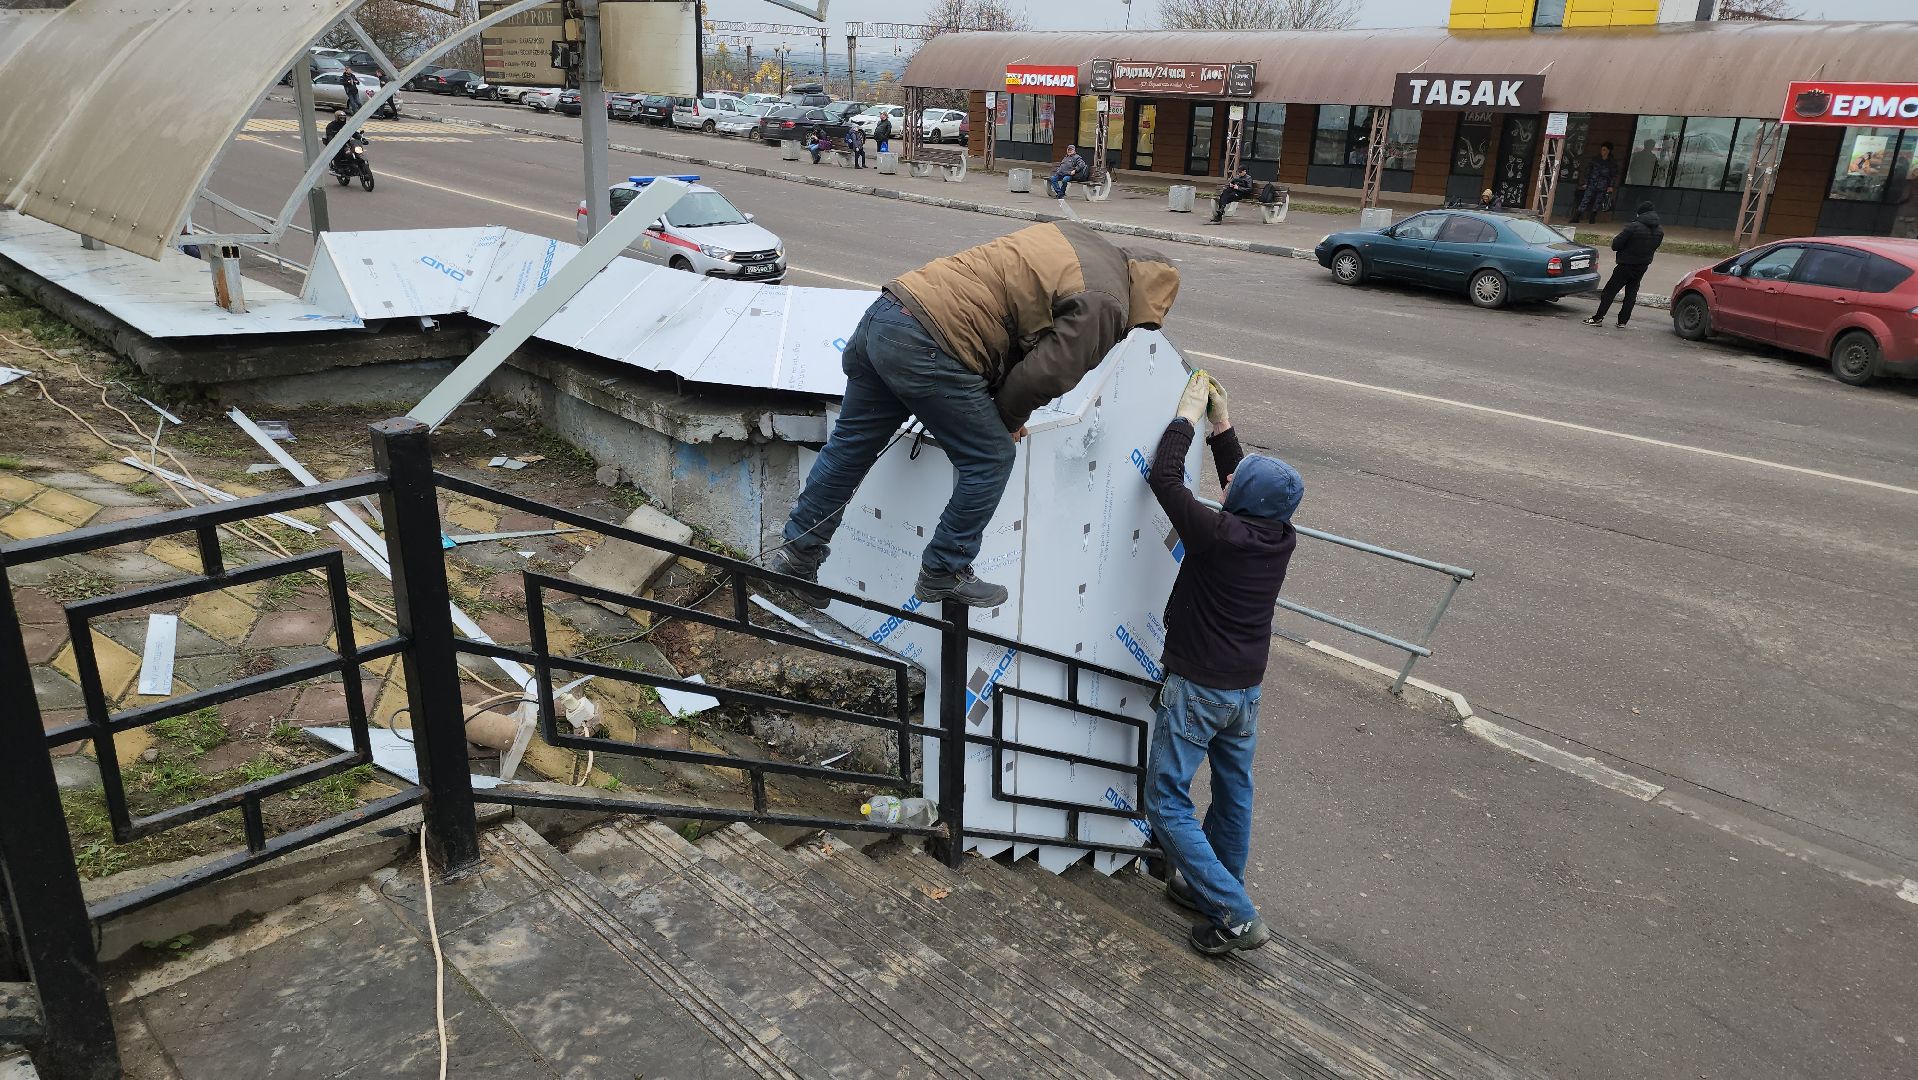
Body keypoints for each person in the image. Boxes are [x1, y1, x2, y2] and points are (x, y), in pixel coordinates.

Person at [766, 222, 1181, 608]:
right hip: (933, 342)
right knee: (991, 457)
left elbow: (1012, 307)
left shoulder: (1078, 241)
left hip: (889, 313)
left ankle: (796, 557)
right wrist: (1006, 420)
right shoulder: (1108, 303)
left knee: (849, 448)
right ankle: (944, 569)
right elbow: (1044, 375)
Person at [1144, 370, 1301, 957]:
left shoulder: (1217, 535)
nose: (1228, 485)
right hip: (1245, 690)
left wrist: (1185, 421)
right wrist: (1222, 426)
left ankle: (1235, 914)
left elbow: (1164, 478)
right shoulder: (1279, 536)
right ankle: (1212, 892)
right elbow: (1242, 482)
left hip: (1199, 689)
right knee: (1233, 790)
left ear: (1241, 503)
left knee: (1165, 800)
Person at [1585, 200, 1664, 329]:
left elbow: (1616, 245)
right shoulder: (1659, 230)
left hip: (1625, 265)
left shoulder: (1633, 227)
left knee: (1609, 292)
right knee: (1631, 294)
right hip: (1642, 266)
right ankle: (1622, 321)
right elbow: (1654, 247)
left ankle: (1598, 317)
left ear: (1640, 213)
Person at [1574, 142, 1619, 224]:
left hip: (1603, 184)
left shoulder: (1612, 162)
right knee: (1585, 199)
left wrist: (1611, 186)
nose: (1602, 151)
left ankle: (1592, 217)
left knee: (1598, 201)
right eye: (1602, 149)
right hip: (1592, 182)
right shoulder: (1595, 159)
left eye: (1604, 150)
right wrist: (1586, 182)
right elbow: (1588, 171)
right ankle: (1577, 216)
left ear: (1608, 151)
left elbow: (1614, 175)